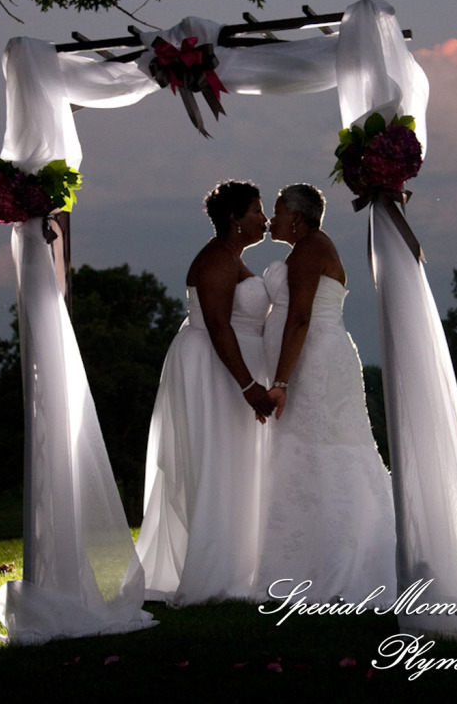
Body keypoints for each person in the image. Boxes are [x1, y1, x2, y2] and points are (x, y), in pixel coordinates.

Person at [254, 184, 397, 604]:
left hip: (314, 364)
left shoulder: (310, 248)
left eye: (277, 211)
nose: (271, 219)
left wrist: (279, 383)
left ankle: (341, 560)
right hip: (314, 359)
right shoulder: (307, 247)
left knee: (328, 449)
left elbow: (299, 318)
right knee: (310, 452)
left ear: (296, 217)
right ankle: (306, 559)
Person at [135, 181, 276, 604]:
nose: (264, 219)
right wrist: (249, 385)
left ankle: (238, 561)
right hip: (214, 370)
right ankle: (216, 571)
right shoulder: (217, 259)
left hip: (224, 366)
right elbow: (218, 326)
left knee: (231, 461)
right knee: (218, 459)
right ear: (235, 219)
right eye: (256, 210)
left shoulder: (232, 257)